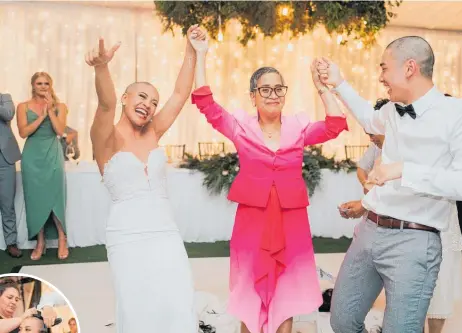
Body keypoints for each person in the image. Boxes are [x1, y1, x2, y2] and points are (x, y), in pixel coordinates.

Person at [316, 36, 462, 333]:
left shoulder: (461, 115)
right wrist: (339, 82)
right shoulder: (392, 110)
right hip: (369, 231)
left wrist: (404, 171)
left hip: (415, 240)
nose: (381, 77)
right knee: (341, 319)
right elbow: (370, 120)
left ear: (410, 68)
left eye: (384, 68)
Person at [189, 30, 348, 333]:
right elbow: (206, 104)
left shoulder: (299, 127)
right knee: (250, 295)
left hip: (291, 221)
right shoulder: (240, 128)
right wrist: (200, 54)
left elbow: (334, 125)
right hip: (253, 222)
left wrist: (321, 87)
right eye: (266, 89)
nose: (273, 95)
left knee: (286, 293)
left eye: (279, 89)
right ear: (253, 96)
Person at [84, 26, 203, 332]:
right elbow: (106, 104)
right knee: (137, 307)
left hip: (165, 231)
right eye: (142, 96)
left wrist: (191, 48)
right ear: (126, 98)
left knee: (178, 299)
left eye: (153, 101)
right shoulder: (105, 138)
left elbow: (179, 94)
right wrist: (102, 67)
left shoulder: (153, 131)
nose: (149, 105)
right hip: (126, 236)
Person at [16, 72, 69, 260]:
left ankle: (62, 238)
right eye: (39, 83)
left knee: (56, 196)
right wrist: (41, 116)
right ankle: (41, 241)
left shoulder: (60, 106)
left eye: (46, 83)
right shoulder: (22, 107)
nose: (43, 86)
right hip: (32, 156)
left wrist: (50, 109)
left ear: (51, 85)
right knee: (35, 198)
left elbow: (60, 131)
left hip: (52, 154)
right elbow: (23, 132)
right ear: (33, 85)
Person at [0, 93, 22, 258]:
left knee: (7, 204)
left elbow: (8, 114)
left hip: (5, 159)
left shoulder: (5, 98)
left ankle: (11, 243)